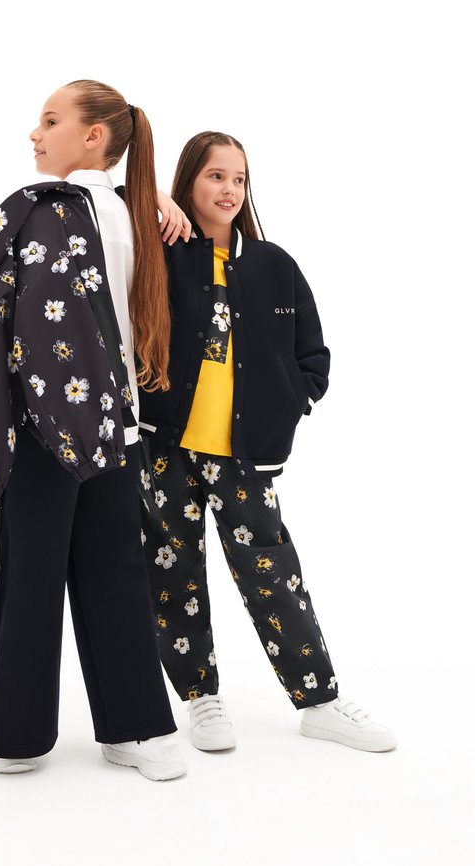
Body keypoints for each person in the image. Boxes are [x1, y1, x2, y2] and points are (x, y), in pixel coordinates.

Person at [0, 79, 191, 781]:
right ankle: (133, 731)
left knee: (39, 574)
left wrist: (149, 197)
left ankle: (29, 734)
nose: (35, 133)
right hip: (111, 423)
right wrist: (152, 198)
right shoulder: (116, 211)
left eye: (51, 120)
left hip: (53, 424)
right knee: (111, 572)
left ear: (94, 136)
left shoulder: (58, 210)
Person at [136, 131, 397, 753]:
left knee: (273, 574)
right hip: (164, 446)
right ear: (187, 182)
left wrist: (293, 399)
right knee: (174, 574)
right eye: (215, 176)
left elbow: (313, 352)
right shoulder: (160, 254)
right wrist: (153, 203)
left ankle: (319, 700)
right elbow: (112, 204)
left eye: (239, 179)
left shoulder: (273, 264)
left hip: (244, 452)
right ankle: (201, 699)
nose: (229, 189)